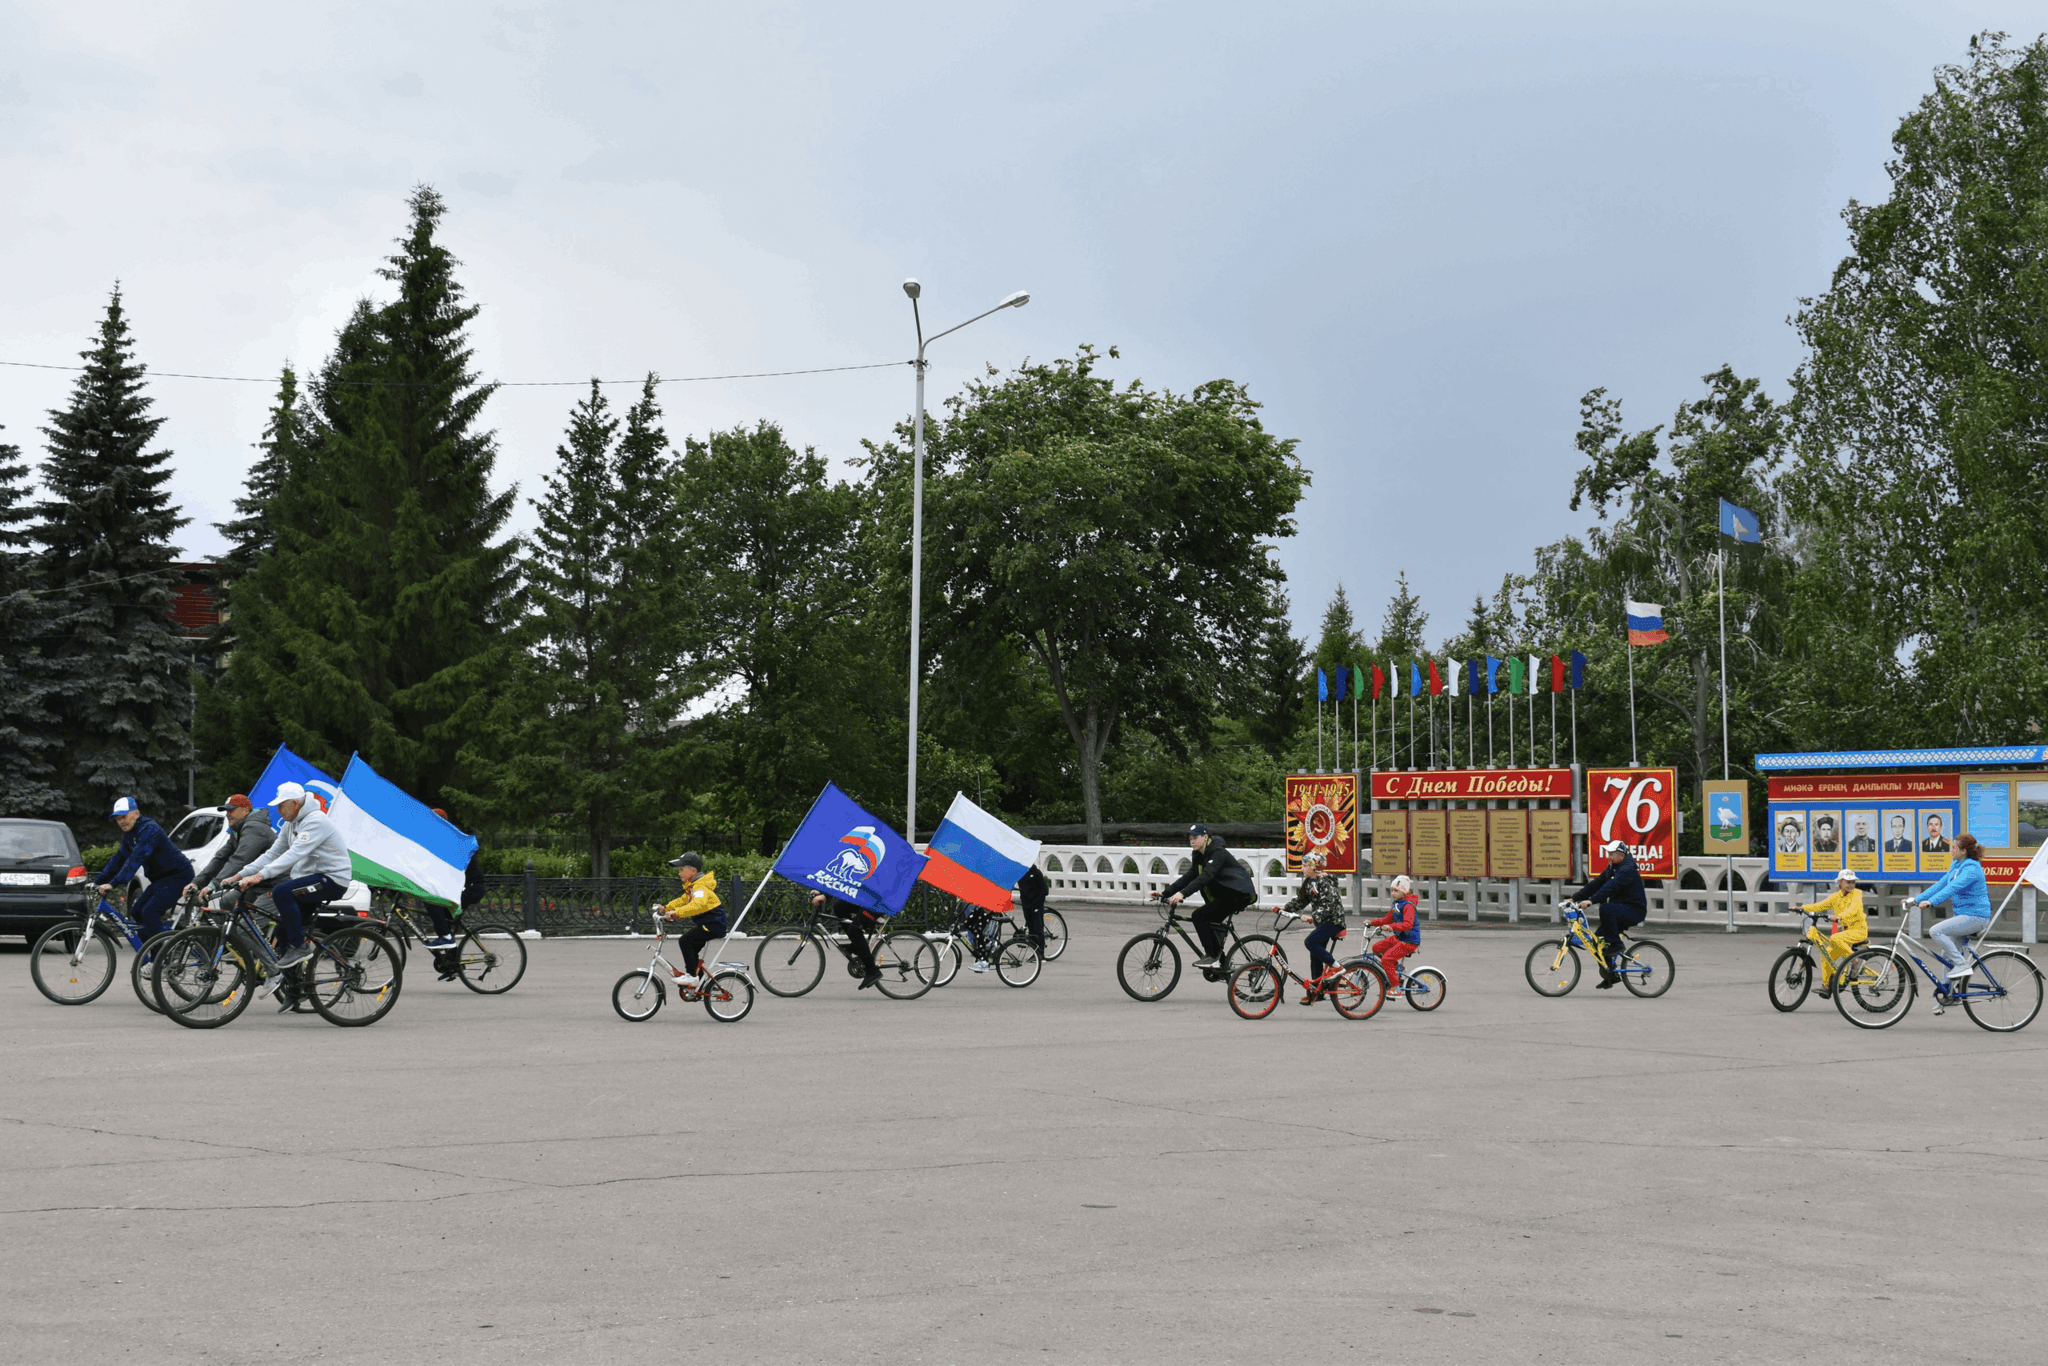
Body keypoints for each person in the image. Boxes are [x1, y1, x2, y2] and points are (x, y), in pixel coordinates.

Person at [235, 781, 352, 973]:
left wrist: (260, 876)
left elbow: (293, 854)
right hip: (313, 879)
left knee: (282, 891)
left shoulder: (315, 821)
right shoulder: (290, 824)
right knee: (282, 933)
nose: (278, 810)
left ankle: (300, 947)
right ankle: (295, 993)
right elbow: (272, 854)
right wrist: (240, 874)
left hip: (332, 880)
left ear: (295, 804)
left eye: (281, 805)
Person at [1155, 824, 1256, 971]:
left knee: (1199, 916)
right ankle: (1220, 961)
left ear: (1205, 837)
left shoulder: (1217, 852)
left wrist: (1183, 894)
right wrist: (1165, 893)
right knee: (1208, 921)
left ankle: (1212, 957)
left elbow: (1206, 876)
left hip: (1238, 894)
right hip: (1225, 894)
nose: (1192, 841)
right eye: (1190, 838)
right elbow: (1190, 876)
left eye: (1195, 838)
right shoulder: (1198, 854)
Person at [94, 796, 194, 939]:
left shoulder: (149, 829)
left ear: (136, 813)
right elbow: (117, 860)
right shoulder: (130, 835)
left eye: (124, 816)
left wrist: (113, 883)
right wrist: (96, 882)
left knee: (149, 913)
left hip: (177, 876)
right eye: (118, 819)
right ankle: (146, 956)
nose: (121, 821)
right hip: (161, 880)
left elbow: (135, 860)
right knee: (137, 911)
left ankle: (160, 958)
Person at [1908, 833, 1991, 1000]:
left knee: (1936, 931)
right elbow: (1941, 884)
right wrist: (1916, 900)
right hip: (1964, 916)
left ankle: (1962, 965)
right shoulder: (1957, 864)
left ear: (1963, 851)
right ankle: (1950, 993)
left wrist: (1931, 902)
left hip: (1976, 917)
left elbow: (1952, 887)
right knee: (1947, 953)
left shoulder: (1972, 868)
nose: (1951, 850)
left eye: (1954, 847)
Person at [1571, 838, 1648, 988]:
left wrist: (1591, 901)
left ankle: (1616, 945)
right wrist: (1575, 897)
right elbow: (1597, 883)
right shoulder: (1614, 866)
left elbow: (1610, 887)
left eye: (1611, 854)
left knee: (1605, 908)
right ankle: (1611, 976)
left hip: (1634, 910)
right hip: (1620, 909)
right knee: (1597, 941)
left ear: (1620, 855)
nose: (1608, 857)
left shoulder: (1627, 869)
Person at [650, 851, 724, 989]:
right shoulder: (694, 887)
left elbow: (697, 905)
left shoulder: (700, 887)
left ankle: (691, 977)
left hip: (713, 924)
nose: (679, 873)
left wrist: (675, 914)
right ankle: (701, 982)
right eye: (679, 870)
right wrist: (666, 908)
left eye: (681, 869)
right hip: (708, 923)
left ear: (693, 870)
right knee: (691, 949)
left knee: (685, 941)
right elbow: (683, 901)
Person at [1279, 851, 1346, 1001]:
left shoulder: (1325, 882)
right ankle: (1318, 991)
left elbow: (1328, 905)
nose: (1302, 868)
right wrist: (1285, 908)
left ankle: (1336, 967)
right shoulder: (1309, 882)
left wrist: (1312, 917)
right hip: (1324, 922)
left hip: (1334, 921)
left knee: (1310, 942)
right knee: (1315, 953)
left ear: (1315, 867)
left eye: (1304, 865)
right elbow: (1301, 900)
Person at [1797, 868, 1868, 1000]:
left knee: (1835, 938)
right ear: (1840, 883)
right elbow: (1819, 906)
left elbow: (1854, 909)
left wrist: (1839, 917)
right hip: (1845, 933)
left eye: (1853, 882)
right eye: (1848, 882)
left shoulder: (1857, 894)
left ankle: (1856, 962)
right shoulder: (1835, 897)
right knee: (1826, 954)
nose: (1851, 885)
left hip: (1859, 931)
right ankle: (1827, 986)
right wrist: (1802, 908)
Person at [195, 794, 273, 909]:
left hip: (271, 882)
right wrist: (197, 882)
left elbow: (240, 859)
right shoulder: (238, 829)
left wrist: (214, 884)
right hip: (256, 881)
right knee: (225, 902)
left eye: (231, 810)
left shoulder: (255, 827)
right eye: (226, 811)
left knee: (230, 906)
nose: (227, 814)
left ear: (245, 810)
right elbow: (221, 858)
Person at [811, 890, 883, 990]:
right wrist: (822, 891)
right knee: (839, 907)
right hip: (869, 899)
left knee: (854, 929)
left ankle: (872, 971)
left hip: (878, 903)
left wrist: (826, 895)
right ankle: (858, 945)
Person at [1365, 873, 1420, 994]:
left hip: (1409, 941)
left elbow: (1407, 924)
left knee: (1386, 960)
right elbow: (1386, 919)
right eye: (1392, 890)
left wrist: (1391, 927)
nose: (1393, 893)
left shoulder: (1408, 906)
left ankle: (1396, 988)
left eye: (1396, 890)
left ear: (1404, 892)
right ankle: (1397, 968)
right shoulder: (1397, 904)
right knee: (1376, 948)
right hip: (1400, 939)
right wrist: (1372, 922)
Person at [1016, 862, 1050, 956]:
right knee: (1031, 930)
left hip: (1036, 905)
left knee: (1037, 929)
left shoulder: (1036, 873)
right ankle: (1034, 953)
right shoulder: (1021, 873)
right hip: (1026, 905)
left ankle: (1040, 953)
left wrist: (1037, 904)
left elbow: (1045, 890)